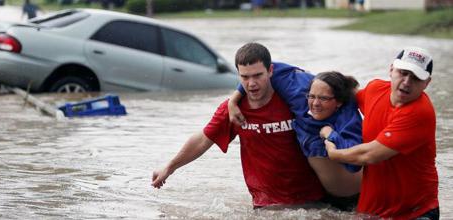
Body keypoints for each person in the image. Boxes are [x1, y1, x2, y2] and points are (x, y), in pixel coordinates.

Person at [151, 42, 325, 208]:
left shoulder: (296, 101)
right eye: (245, 77)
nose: (252, 83)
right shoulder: (233, 110)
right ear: (238, 76)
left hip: (313, 201)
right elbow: (203, 140)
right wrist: (169, 167)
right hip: (266, 205)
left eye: (258, 75)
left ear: (270, 71)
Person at [324, 47, 439, 219]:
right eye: (403, 73)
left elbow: (369, 155)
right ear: (391, 70)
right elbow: (346, 93)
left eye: (415, 78)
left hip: (414, 213)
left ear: (427, 83)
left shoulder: (420, 113)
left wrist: (333, 151)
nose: (407, 82)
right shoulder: (375, 90)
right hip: (371, 211)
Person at [228, 66, 363, 210]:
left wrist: (330, 134)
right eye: (312, 96)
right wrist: (234, 99)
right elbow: (263, 68)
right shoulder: (300, 96)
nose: (315, 104)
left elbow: (354, 163)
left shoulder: (347, 118)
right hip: (322, 195)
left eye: (324, 98)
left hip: (354, 198)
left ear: (339, 102)